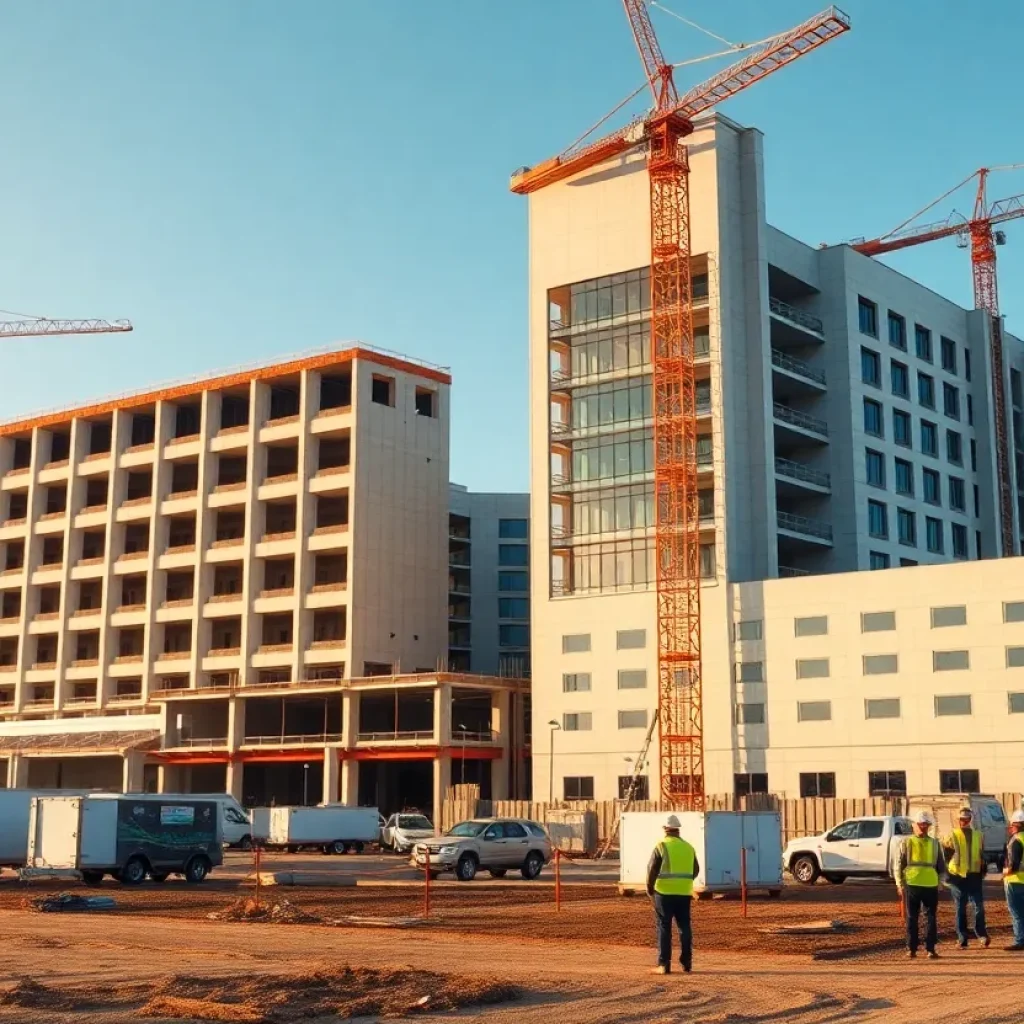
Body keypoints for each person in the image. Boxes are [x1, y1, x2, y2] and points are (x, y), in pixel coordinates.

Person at [646, 813, 699, 975]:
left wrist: (650, 890)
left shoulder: (661, 846)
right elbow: (695, 870)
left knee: (664, 927)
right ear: (678, 829)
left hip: (664, 893)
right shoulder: (689, 847)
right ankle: (687, 962)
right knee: (684, 927)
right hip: (684, 893)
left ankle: (664, 964)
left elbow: (652, 870)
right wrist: (683, 882)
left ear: (665, 829)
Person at [895, 810, 944, 959]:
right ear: (914, 825)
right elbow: (898, 864)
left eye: (925, 824)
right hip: (917, 884)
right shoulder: (909, 842)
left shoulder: (931, 843)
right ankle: (921, 949)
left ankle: (919, 949)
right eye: (921, 824)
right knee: (919, 917)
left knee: (920, 917)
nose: (923, 827)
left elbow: (941, 866)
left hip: (922, 884)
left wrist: (899, 883)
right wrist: (899, 883)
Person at [941, 806, 990, 948]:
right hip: (958, 876)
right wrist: (947, 874)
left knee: (978, 906)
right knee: (960, 908)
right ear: (958, 820)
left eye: (966, 819)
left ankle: (981, 934)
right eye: (962, 819)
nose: (964, 821)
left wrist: (983, 867)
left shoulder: (978, 835)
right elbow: (945, 855)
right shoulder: (952, 835)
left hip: (974, 875)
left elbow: (981, 855)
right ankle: (962, 938)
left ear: (970, 819)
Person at [1003, 809, 1024, 950]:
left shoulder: (1015, 840)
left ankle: (1020, 940)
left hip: (1015, 881)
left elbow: (1014, 865)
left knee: (1016, 913)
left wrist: (1005, 872)